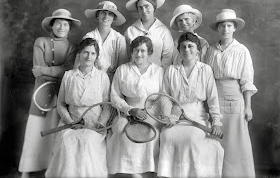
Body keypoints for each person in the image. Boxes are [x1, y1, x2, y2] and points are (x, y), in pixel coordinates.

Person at [18, 9, 80, 178]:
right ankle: (26, 169)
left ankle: (50, 169)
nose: (62, 27)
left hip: (60, 94)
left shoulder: (72, 47)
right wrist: (52, 71)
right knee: (35, 129)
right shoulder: (41, 41)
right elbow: (36, 70)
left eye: (66, 24)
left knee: (54, 130)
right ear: (52, 25)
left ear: (69, 27)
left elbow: (67, 70)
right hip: (40, 94)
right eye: (58, 23)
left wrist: (46, 70)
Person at [157, 32, 224, 178]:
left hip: (198, 117)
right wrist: (168, 116)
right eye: (183, 47)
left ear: (198, 50)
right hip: (174, 117)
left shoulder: (205, 70)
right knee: (167, 136)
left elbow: (213, 99)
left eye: (190, 46)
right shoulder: (171, 71)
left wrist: (217, 122)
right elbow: (165, 97)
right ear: (179, 50)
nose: (187, 50)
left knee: (191, 138)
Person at [45, 38, 111, 177]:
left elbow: (106, 105)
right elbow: (61, 104)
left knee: (87, 142)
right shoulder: (68, 76)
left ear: (96, 56)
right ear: (79, 54)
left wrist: (101, 123)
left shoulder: (102, 77)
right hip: (71, 122)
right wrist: (70, 121)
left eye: (92, 53)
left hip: (94, 124)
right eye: (85, 52)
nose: (89, 56)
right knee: (67, 142)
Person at [205, 9, 258, 178]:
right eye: (222, 26)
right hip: (214, 97)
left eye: (229, 26)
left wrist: (248, 106)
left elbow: (247, 80)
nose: (225, 29)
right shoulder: (211, 51)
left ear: (234, 28)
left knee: (236, 139)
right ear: (218, 29)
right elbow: (206, 76)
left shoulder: (242, 50)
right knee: (215, 136)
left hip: (235, 98)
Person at [107, 36, 164, 178]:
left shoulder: (158, 71)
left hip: (152, 113)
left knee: (151, 132)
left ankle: (146, 171)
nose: (139, 54)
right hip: (127, 112)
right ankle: (129, 171)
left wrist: (150, 112)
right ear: (131, 52)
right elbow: (115, 96)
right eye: (136, 51)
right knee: (120, 129)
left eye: (143, 51)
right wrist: (130, 110)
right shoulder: (123, 70)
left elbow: (163, 96)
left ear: (149, 52)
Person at [74, 0, 127, 81]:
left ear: (113, 18)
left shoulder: (119, 39)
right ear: (97, 16)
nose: (106, 17)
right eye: (103, 13)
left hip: (113, 80)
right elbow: (79, 63)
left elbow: (122, 67)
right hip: (91, 79)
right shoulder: (89, 37)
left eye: (110, 14)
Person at [124, 0, 174, 69]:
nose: (144, 11)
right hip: (134, 74)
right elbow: (126, 56)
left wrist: (163, 76)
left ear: (154, 7)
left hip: (156, 75)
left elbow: (167, 58)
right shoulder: (131, 30)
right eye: (140, 8)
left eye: (146, 6)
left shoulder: (163, 31)